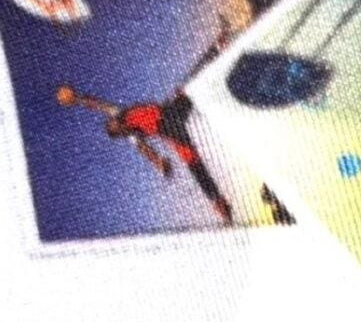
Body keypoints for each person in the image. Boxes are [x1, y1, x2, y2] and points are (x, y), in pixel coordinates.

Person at [57, 85, 234, 225]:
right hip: (170, 129)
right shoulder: (133, 135)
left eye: (111, 122)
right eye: (114, 127)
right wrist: (160, 163)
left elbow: (99, 105)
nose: (114, 123)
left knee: (192, 90)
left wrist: (77, 99)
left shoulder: (120, 114)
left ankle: (216, 71)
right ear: (120, 133)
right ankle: (219, 202)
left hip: (169, 110)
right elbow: (145, 150)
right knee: (194, 165)